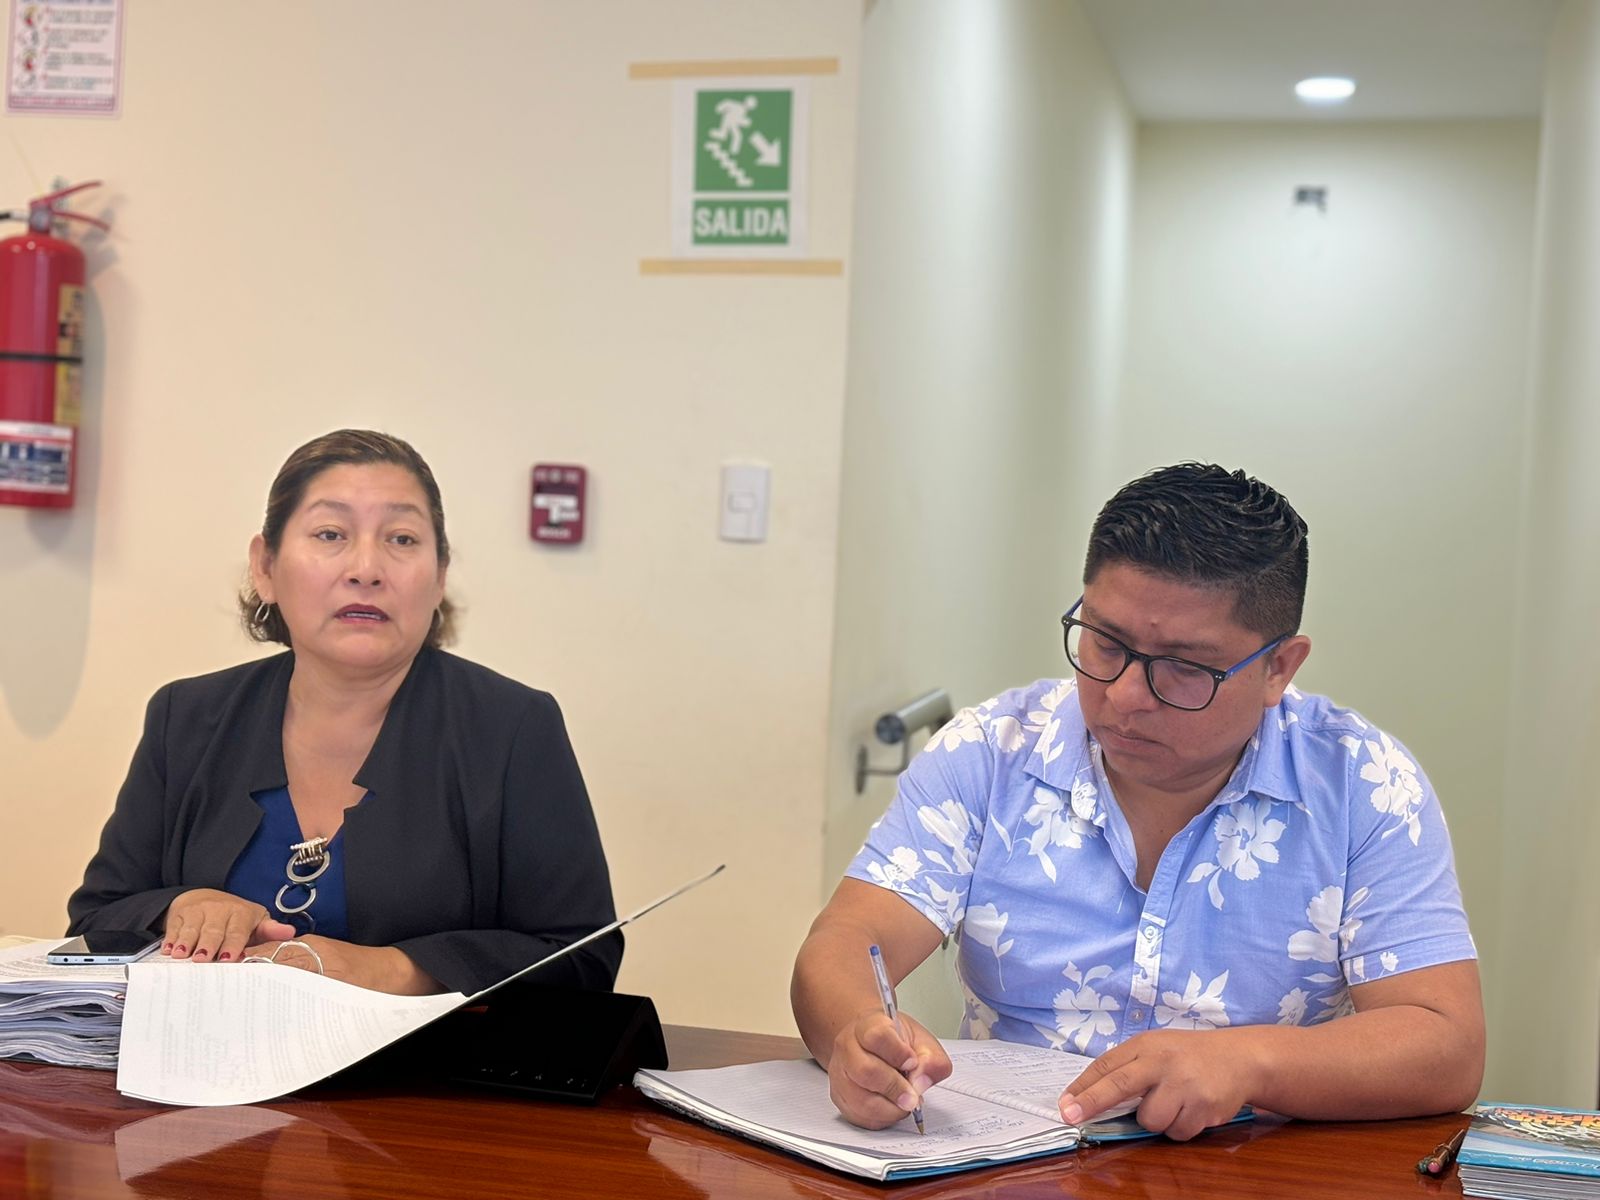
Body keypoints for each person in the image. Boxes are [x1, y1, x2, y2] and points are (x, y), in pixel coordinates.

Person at [792, 463, 1483, 1140]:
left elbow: (1445, 1044)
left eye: (1183, 668)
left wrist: (1251, 1062)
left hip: (1249, 1169)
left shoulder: (1360, 782)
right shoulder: (991, 752)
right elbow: (845, 942)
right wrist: (858, 1034)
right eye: (1105, 642)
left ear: (1278, 667)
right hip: (1007, 1165)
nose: (1124, 696)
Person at [67, 429, 621, 997]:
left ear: (439, 576)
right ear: (265, 567)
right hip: (202, 1051)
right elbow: (94, 920)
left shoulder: (512, 727)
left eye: (402, 539)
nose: (366, 568)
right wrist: (184, 906)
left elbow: (583, 956)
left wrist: (392, 970)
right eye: (330, 534)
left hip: (428, 1058)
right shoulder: (186, 718)